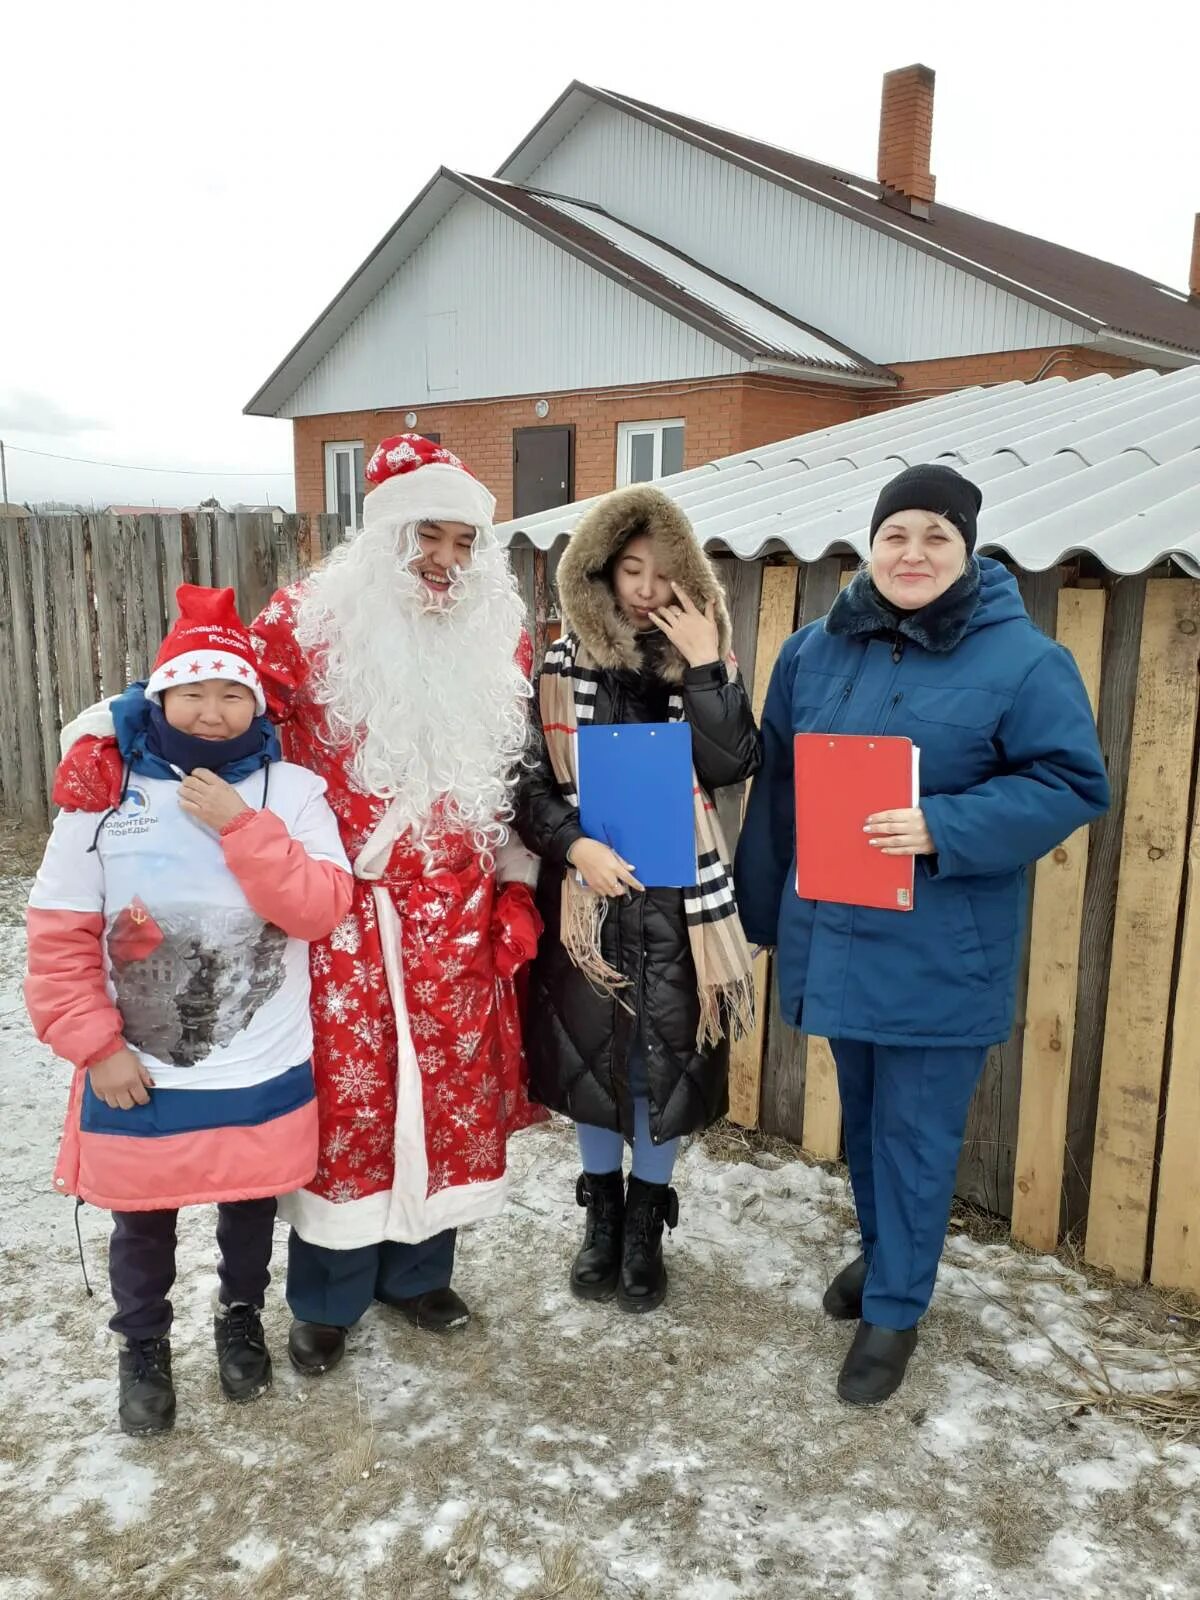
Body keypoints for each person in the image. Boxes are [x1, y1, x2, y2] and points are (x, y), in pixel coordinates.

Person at [735, 463, 1110, 1405]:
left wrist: (947, 826)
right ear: (871, 545)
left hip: (944, 946)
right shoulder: (813, 653)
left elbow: (1071, 784)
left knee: (917, 1133)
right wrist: (764, 911)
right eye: (896, 535)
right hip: (840, 928)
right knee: (864, 1123)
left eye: (936, 537)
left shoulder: (1024, 661)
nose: (913, 554)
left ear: (968, 550)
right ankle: (884, 1258)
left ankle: (896, 1310)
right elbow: (779, 791)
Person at [248, 433, 544, 1377]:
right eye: (428, 536)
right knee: (354, 1100)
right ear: (383, 536)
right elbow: (212, 717)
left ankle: (418, 1274)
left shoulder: (502, 636)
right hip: (346, 912)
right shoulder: (296, 627)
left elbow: (510, 773)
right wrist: (119, 748)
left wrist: (516, 885)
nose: (446, 562)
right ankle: (327, 1295)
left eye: (465, 543)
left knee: (450, 1094)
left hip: (456, 917)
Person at [25, 585, 353, 1435]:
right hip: (139, 1065)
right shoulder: (103, 788)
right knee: (143, 1222)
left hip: (258, 1055)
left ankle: (239, 1317)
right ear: (160, 696)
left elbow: (319, 910)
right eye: (193, 693)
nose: (213, 712)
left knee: (249, 1206)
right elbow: (59, 935)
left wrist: (244, 826)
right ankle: (142, 1346)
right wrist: (96, 1045)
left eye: (233, 693)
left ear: (256, 701)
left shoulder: (295, 791)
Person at [516, 485, 760, 1312]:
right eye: (629, 570)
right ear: (600, 573)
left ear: (687, 574)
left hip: (679, 903)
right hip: (588, 902)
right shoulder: (556, 664)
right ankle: (602, 1218)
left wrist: (702, 669)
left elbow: (731, 766)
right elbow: (528, 784)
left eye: (662, 572)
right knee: (594, 1066)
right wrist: (573, 842)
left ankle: (647, 1223)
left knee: (664, 1070)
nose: (646, 589)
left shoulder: (706, 660)